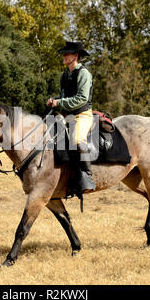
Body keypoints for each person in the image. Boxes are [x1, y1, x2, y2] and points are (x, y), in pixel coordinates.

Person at [47, 41, 96, 195]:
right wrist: (54, 101)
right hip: (68, 116)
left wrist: (60, 102)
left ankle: (87, 177)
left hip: (83, 115)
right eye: (63, 53)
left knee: (76, 140)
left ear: (75, 56)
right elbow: (64, 97)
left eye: (67, 54)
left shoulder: (83, 74)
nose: (63, 56)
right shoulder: (64, 75)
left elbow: (82, 98)